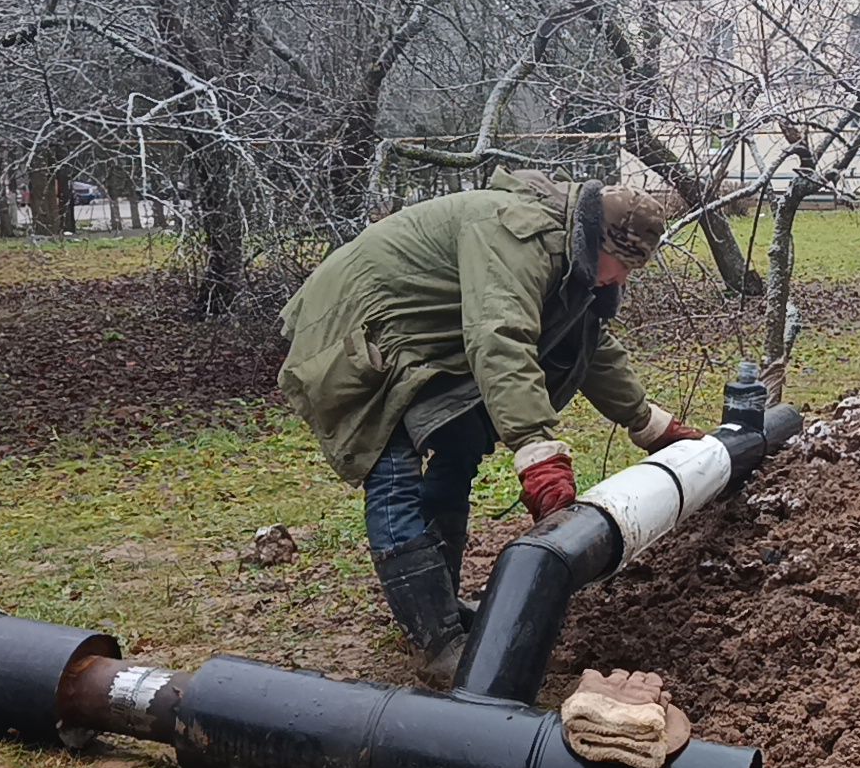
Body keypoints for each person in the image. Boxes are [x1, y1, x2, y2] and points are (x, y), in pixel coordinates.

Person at [276, 168, 703, 677]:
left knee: (457, 450)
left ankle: (442, 608)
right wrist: (538, 452)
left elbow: (590, 346)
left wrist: (649, 424)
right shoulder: (515, 233)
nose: (623, 280)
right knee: (391, 467)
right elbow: (500, 336)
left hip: (429, 338)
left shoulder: (573, 257)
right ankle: (437, 642)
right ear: (599, 242)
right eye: (623, 265)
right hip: (360, 324)